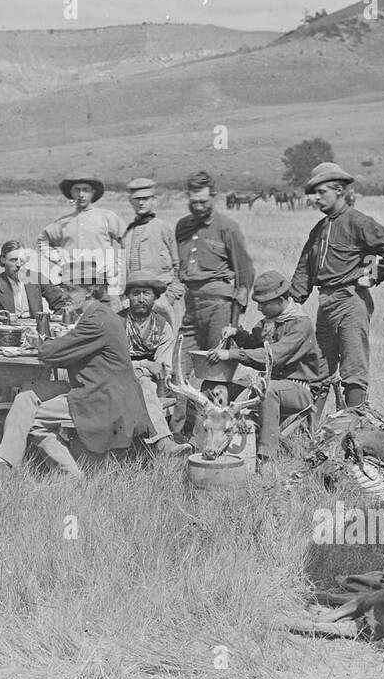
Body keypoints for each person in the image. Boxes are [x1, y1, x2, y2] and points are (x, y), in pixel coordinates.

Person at [0, 279, 152, 483]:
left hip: (105, 395)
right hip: (92, 384)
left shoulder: (98, 320)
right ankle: (3, 463)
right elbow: (65, 347)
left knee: (35, 420)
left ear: (90, 292)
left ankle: (72, 476)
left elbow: (53, 353)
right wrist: (48, 343)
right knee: (28, 393)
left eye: (71, 290)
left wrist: (40, 342)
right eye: (64, 289)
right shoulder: (95, 314)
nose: (64, 295)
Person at [289, 161, 384, 408]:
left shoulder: (358, 222)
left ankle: (353, 432)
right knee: (318, 371)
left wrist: (374, 276)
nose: (316, 199)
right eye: (314, 194)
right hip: (326, 305)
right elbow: (304, 269)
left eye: (322, 193)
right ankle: (310, 435)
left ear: (339, 191)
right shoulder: (319, 229)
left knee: (353, 371)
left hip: (351, 303)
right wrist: (292, 303)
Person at [206, 270, 327, 465]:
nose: (259, 308)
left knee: (267, 390)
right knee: (222, 389)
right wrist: (236, 333)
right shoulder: (269, 322)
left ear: (280, 300)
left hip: (300, 389)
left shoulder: (300, 325)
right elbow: (254, 343)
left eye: (263, 303)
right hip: (271, 383)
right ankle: (214, 443)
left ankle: (265, 458)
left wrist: (232, 354)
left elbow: (273, 356)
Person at [174, 170, 255, 398]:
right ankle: (179, 432)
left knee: (215, 375)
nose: (198, 206)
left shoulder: (227, 227)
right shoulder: (182, 227)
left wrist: (234, 322)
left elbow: (245, 273)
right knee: (177, 372)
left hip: (220, 307)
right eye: (194, 201)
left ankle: (216, 430)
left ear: (214, 196)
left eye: (203, 201)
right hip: (191, 308)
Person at [118, 271, 189, 455]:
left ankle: (165, 441)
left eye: (146, 294)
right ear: (128, 297)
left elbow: (162, 369)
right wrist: (145, 365)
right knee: (142, 380)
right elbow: (112, 365)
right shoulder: (116, 323)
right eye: (136, 293)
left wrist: (141, 368)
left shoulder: (162, 327)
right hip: (115, 383)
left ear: (155, 297)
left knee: (143, 381)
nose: (141, 299)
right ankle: (164, 443)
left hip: (148, 385)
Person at [37, 177, 126, 299]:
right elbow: (43, 240)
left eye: (86, 190)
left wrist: (117, 265)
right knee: (75, 315)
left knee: (107, 315)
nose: (81, 194)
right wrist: (59, 259)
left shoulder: (106, 217)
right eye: (77, 190)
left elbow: (127, 239)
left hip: (104, 281)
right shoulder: (64, 222)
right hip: (73, 281)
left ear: (93, 192)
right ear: (71, 193)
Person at [122, 178, 183, 323]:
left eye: (145, 198)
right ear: (131, 201)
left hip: (163, 297)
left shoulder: (164, 228)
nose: (141, 203)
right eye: (137, 199)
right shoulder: (127, 232)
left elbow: (179, 265)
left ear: (153, 199)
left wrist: (170, 295)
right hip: (137, 301)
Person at [0, 239, 70, 327]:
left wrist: (51, 324)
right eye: (14, 260)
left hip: (36, 332)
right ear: (3, 260)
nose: (19, 265)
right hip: (9, 334)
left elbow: (63, 302)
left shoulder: (37, 278)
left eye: (22, 260)